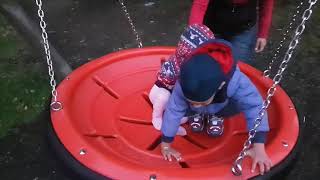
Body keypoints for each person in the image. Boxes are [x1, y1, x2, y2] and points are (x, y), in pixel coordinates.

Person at [159, 41, 272, 175]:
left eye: (200, 102)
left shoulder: (236, 81)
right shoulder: (183, 83)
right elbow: (174, 110)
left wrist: (258, 145)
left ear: (220, 86)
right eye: (192, 102)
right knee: (183, 103)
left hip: (223, 104)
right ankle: (198, 114)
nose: (195, 105)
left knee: (236, 104)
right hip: (204, 97)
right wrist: (166, 143)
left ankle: (216, 115)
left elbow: (254, 105)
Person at [149, 24, 216, 136]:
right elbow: (167, 80)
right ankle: (157, 117)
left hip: (178, 95)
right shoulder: (178, 65)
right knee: (163, 97)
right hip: (164, 90)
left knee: (185, 117)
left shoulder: (195, 65)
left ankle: (173, 120)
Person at [189, 0, 274, 63]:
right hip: (213, 25)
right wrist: (194, 33)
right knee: (206, 64)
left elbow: (267, 5)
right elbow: (199, 5)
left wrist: (263, 33)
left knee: (238, 67)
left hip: (243, 29)